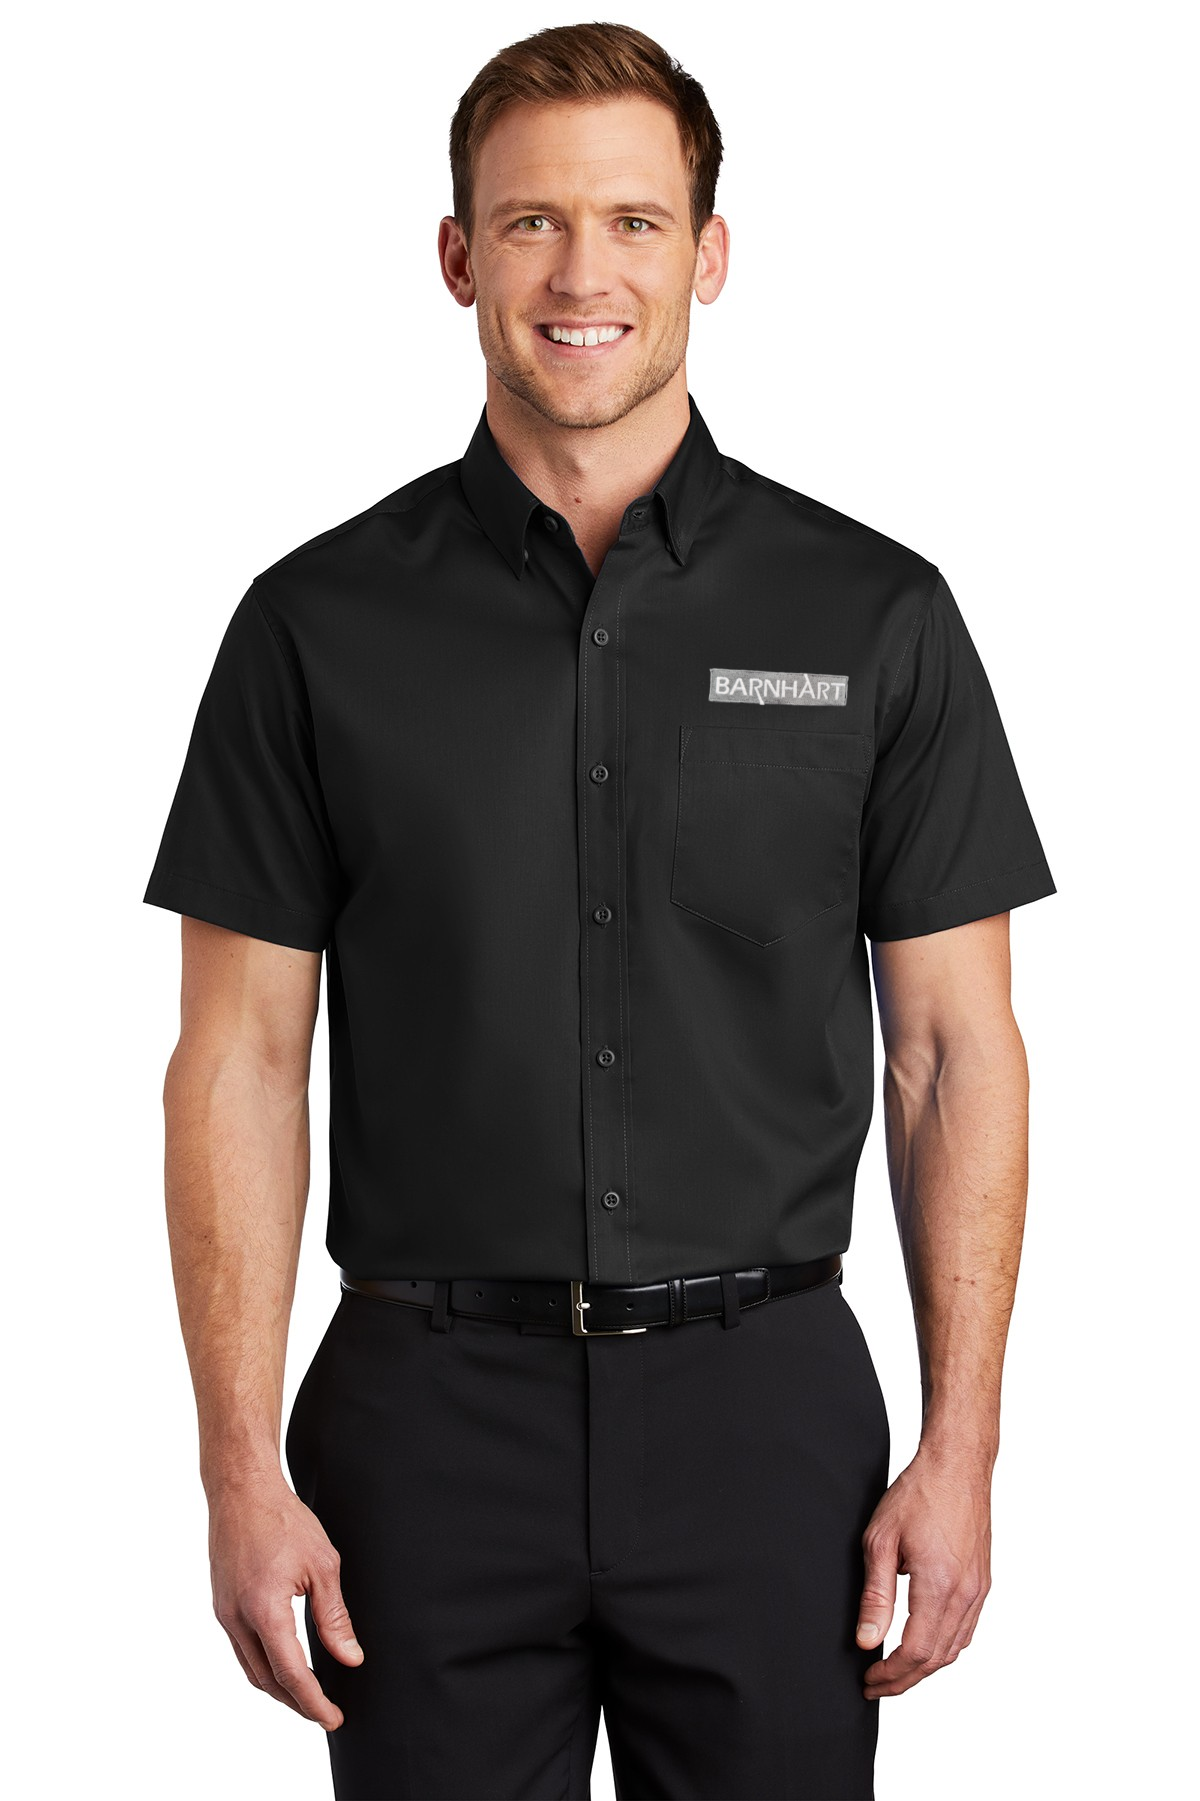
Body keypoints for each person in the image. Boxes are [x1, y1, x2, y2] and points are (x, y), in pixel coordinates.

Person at [143, 21, 1055, 1801]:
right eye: (534, 222)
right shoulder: (312, 627)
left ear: (709, 254)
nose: (584, 275)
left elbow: (955, 1052)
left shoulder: (877, 615)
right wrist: (237, 1469)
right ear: (457, 255)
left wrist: (966, 1449)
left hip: (768, 1419)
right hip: (422, 1424)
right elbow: (237, 1060)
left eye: (635, 222)